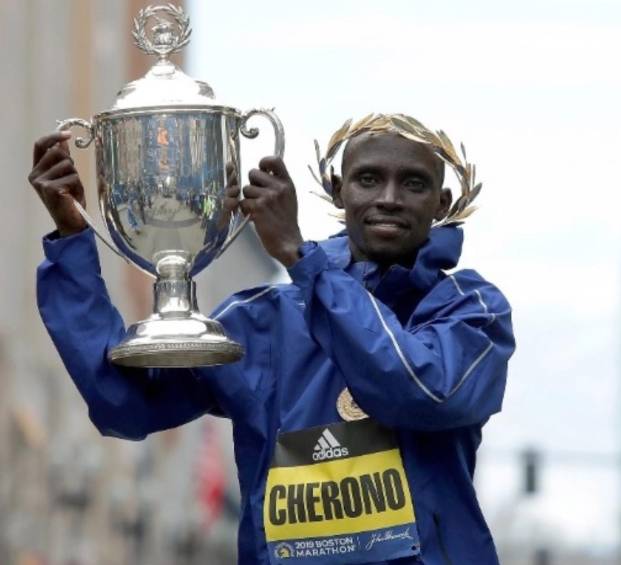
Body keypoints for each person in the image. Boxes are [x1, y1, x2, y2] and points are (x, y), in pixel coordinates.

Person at [28, 115, 515, 565]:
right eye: (368, 179)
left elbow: (417, 391)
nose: (389, 197)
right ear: (337, 190)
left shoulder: (470, 311)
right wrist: (72, 239)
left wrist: (303, 260)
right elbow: (125, 404)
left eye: (414, 184)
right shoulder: (263, 320)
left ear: (443, 204)